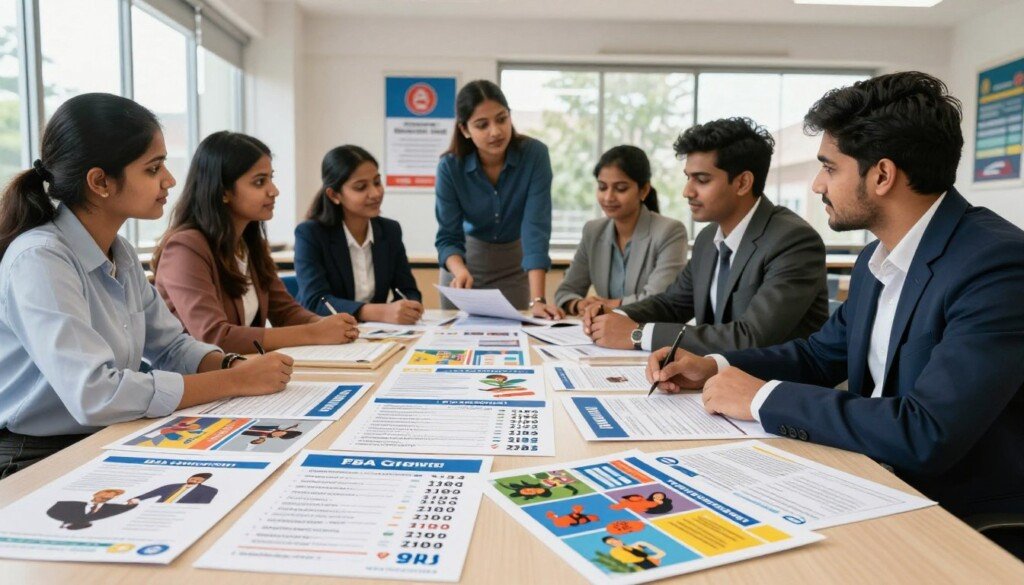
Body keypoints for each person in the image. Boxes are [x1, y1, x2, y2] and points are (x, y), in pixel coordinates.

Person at [647, 72, 1024, 537]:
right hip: (866, 477)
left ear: (882, 175)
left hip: (952, 511)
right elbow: (819, 354)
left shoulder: (996, 265)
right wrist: (713, 364)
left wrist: (761, 397)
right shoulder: (876, 258)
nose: (816, 185)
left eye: (829, 167)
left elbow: (927, 432)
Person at [0, 94, 293, 478]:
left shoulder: (117, 250)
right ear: (100, 182)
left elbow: (171, 346)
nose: (169, 180)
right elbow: (96, 394)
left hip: (104, 435)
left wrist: (232, 363)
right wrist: (235, 380)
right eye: (154, 169)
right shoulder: (40, 259)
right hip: (34, 455)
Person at [583, 117, 828, 353]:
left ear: (742, 183)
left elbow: (751, 336)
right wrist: (617, 315)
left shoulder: (793, 241)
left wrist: (638, 334)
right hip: (712, 379)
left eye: (701, 180)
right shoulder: (708, 238)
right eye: (688, 178)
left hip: (773, 386)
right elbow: (672, 304)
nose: (687, 191)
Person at [153, 132, 360, 354]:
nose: (274, 191)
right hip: (199, 381)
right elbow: (214, 336)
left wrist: (327, 325)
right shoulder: (185, 248)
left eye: (271, 178)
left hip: (245, 372)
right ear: (223, 191)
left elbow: (286, 312)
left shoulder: (249, 243)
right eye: (260, 182)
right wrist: (315, 333)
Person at [434, 80, 562, 319]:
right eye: (482, 125)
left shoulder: (535, 155)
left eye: (502, 119)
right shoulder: (450, 167)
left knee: (513, 342)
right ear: (464, 130)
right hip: (464, 267)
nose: (496, 131)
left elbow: (535, 228)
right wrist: (459, 270)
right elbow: (448, 236)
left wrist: (538, 300)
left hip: (514, 266)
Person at [549, 145, 687, 316]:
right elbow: (565, 292)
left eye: (620, 188)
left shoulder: (670, 231)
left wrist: (607, 305)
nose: (608, 197)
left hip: (648, 334)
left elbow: (658, 300)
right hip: (602, 334)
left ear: (643, 190)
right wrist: (581, 305)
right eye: (602, 187)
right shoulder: (593, 231)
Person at [294, 145, 423, 324]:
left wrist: (409, 306)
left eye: (377, 182)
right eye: (361, 187)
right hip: (326, 335)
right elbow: (315, 301)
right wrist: (379, 312)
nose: (375, 193)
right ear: (334, 195)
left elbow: (408, 290)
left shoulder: (390, 231)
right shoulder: (311, 234)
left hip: (375, 335)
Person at [47, 489, 136, 530]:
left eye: (107, 497)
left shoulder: (60, 508)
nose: (107, 497)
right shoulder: (109, 511)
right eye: (105, 496)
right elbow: (128, 506)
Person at [131, 473, 218, 504]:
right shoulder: (172, 486)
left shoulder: (209, 490)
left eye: (198, 480)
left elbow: (203, 503)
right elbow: (153, 493)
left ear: (202, 482)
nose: (194, 480)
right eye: (192, 478)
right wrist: (137, 498)